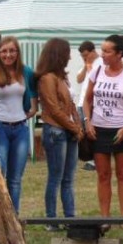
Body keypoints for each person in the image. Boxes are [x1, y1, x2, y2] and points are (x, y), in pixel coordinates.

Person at [83, 34, 123, 226]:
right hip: (99, 128)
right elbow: (87, 99)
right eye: (102, 50)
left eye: (107, 51)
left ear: (119, 54)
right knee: (103, 174)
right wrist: (88, 121)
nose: (103, 54)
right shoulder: (97, 70)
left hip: (121, 129)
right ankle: (105, 218)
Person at [36, 38, 83, 231]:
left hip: (68, 130)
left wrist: (78, 125)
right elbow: (54, 109)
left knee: (68, 178)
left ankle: (70, 217)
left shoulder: (61, 77)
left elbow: (71, 105)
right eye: (67, 52)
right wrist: (75, 127)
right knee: (55, 177)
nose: (70, 56)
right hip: (56, 130)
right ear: (58, 54)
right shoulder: (47, 78)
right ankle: (51, 219)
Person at [0, 36, 38, 214]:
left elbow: (33, 95)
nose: (8, 55)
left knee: (16, 179)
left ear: (17, 53)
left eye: (12, 51)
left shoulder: (25, 71)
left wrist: (31, 111)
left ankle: (14, 216)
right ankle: (1, 215)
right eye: (4, 51)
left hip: (20, 128)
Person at [76, 41, 102, 171]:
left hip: (93, 103)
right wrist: (85, 65)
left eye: (86, 55)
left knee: (91, 131)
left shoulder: (102, 62)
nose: (84, 58)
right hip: (81, 102)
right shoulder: (86, 65)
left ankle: (95, 160)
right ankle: (88, 158)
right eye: (82, 56)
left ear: (93, 51)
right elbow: (79, 79)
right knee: (83, 133)